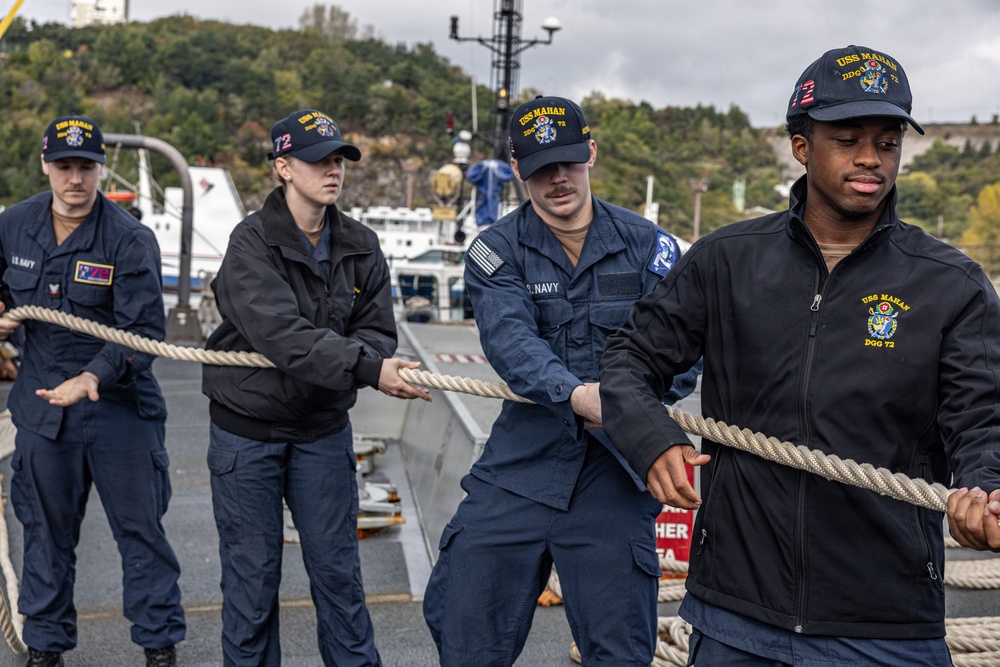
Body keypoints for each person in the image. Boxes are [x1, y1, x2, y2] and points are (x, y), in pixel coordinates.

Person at [600, 45, 1000, 667]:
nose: (871, 157)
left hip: (886, 625)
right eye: (848, 138)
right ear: (802, 145)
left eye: (887, 142)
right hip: (735, 615)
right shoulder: (725, 261)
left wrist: (986, 489)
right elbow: (628, 360)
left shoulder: (950, 283)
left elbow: (982, 420)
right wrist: (653, 440)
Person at [423, 95, 699, 666]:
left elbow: (685, 349)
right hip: (521, 465)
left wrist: (627, 407)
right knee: (463, 629)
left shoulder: (650, 246)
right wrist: (578, 396)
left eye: (568, 161)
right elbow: (510, 341)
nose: (558, 179)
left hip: (615, 471)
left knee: (620, 650)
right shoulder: (494, 250)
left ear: (591, 153)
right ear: (520, 170)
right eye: (541, 167)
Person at [201, 108, 431, 666]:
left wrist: (365, 361)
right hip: (246, 432)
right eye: (317, 160)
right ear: (283, 166)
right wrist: (365, 367)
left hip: (321, 432)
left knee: (340, 583)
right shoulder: (250, 242)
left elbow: (377, 331)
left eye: (338, 159)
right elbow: (280, 333)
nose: (332, 169)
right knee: (252, 589)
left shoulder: (360, 243)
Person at [0, 115, 186, 667]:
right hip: (41, 411)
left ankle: (158, 645)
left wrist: (93, 377)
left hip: (118, 408)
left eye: (86, 167)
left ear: (102, 168)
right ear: (45, 166)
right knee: (44, 534)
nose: (75, 179)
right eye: (64, 167)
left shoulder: (129, 238)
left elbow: (145, 332)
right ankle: (46, 647)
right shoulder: (12, 225)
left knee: (140, 534)